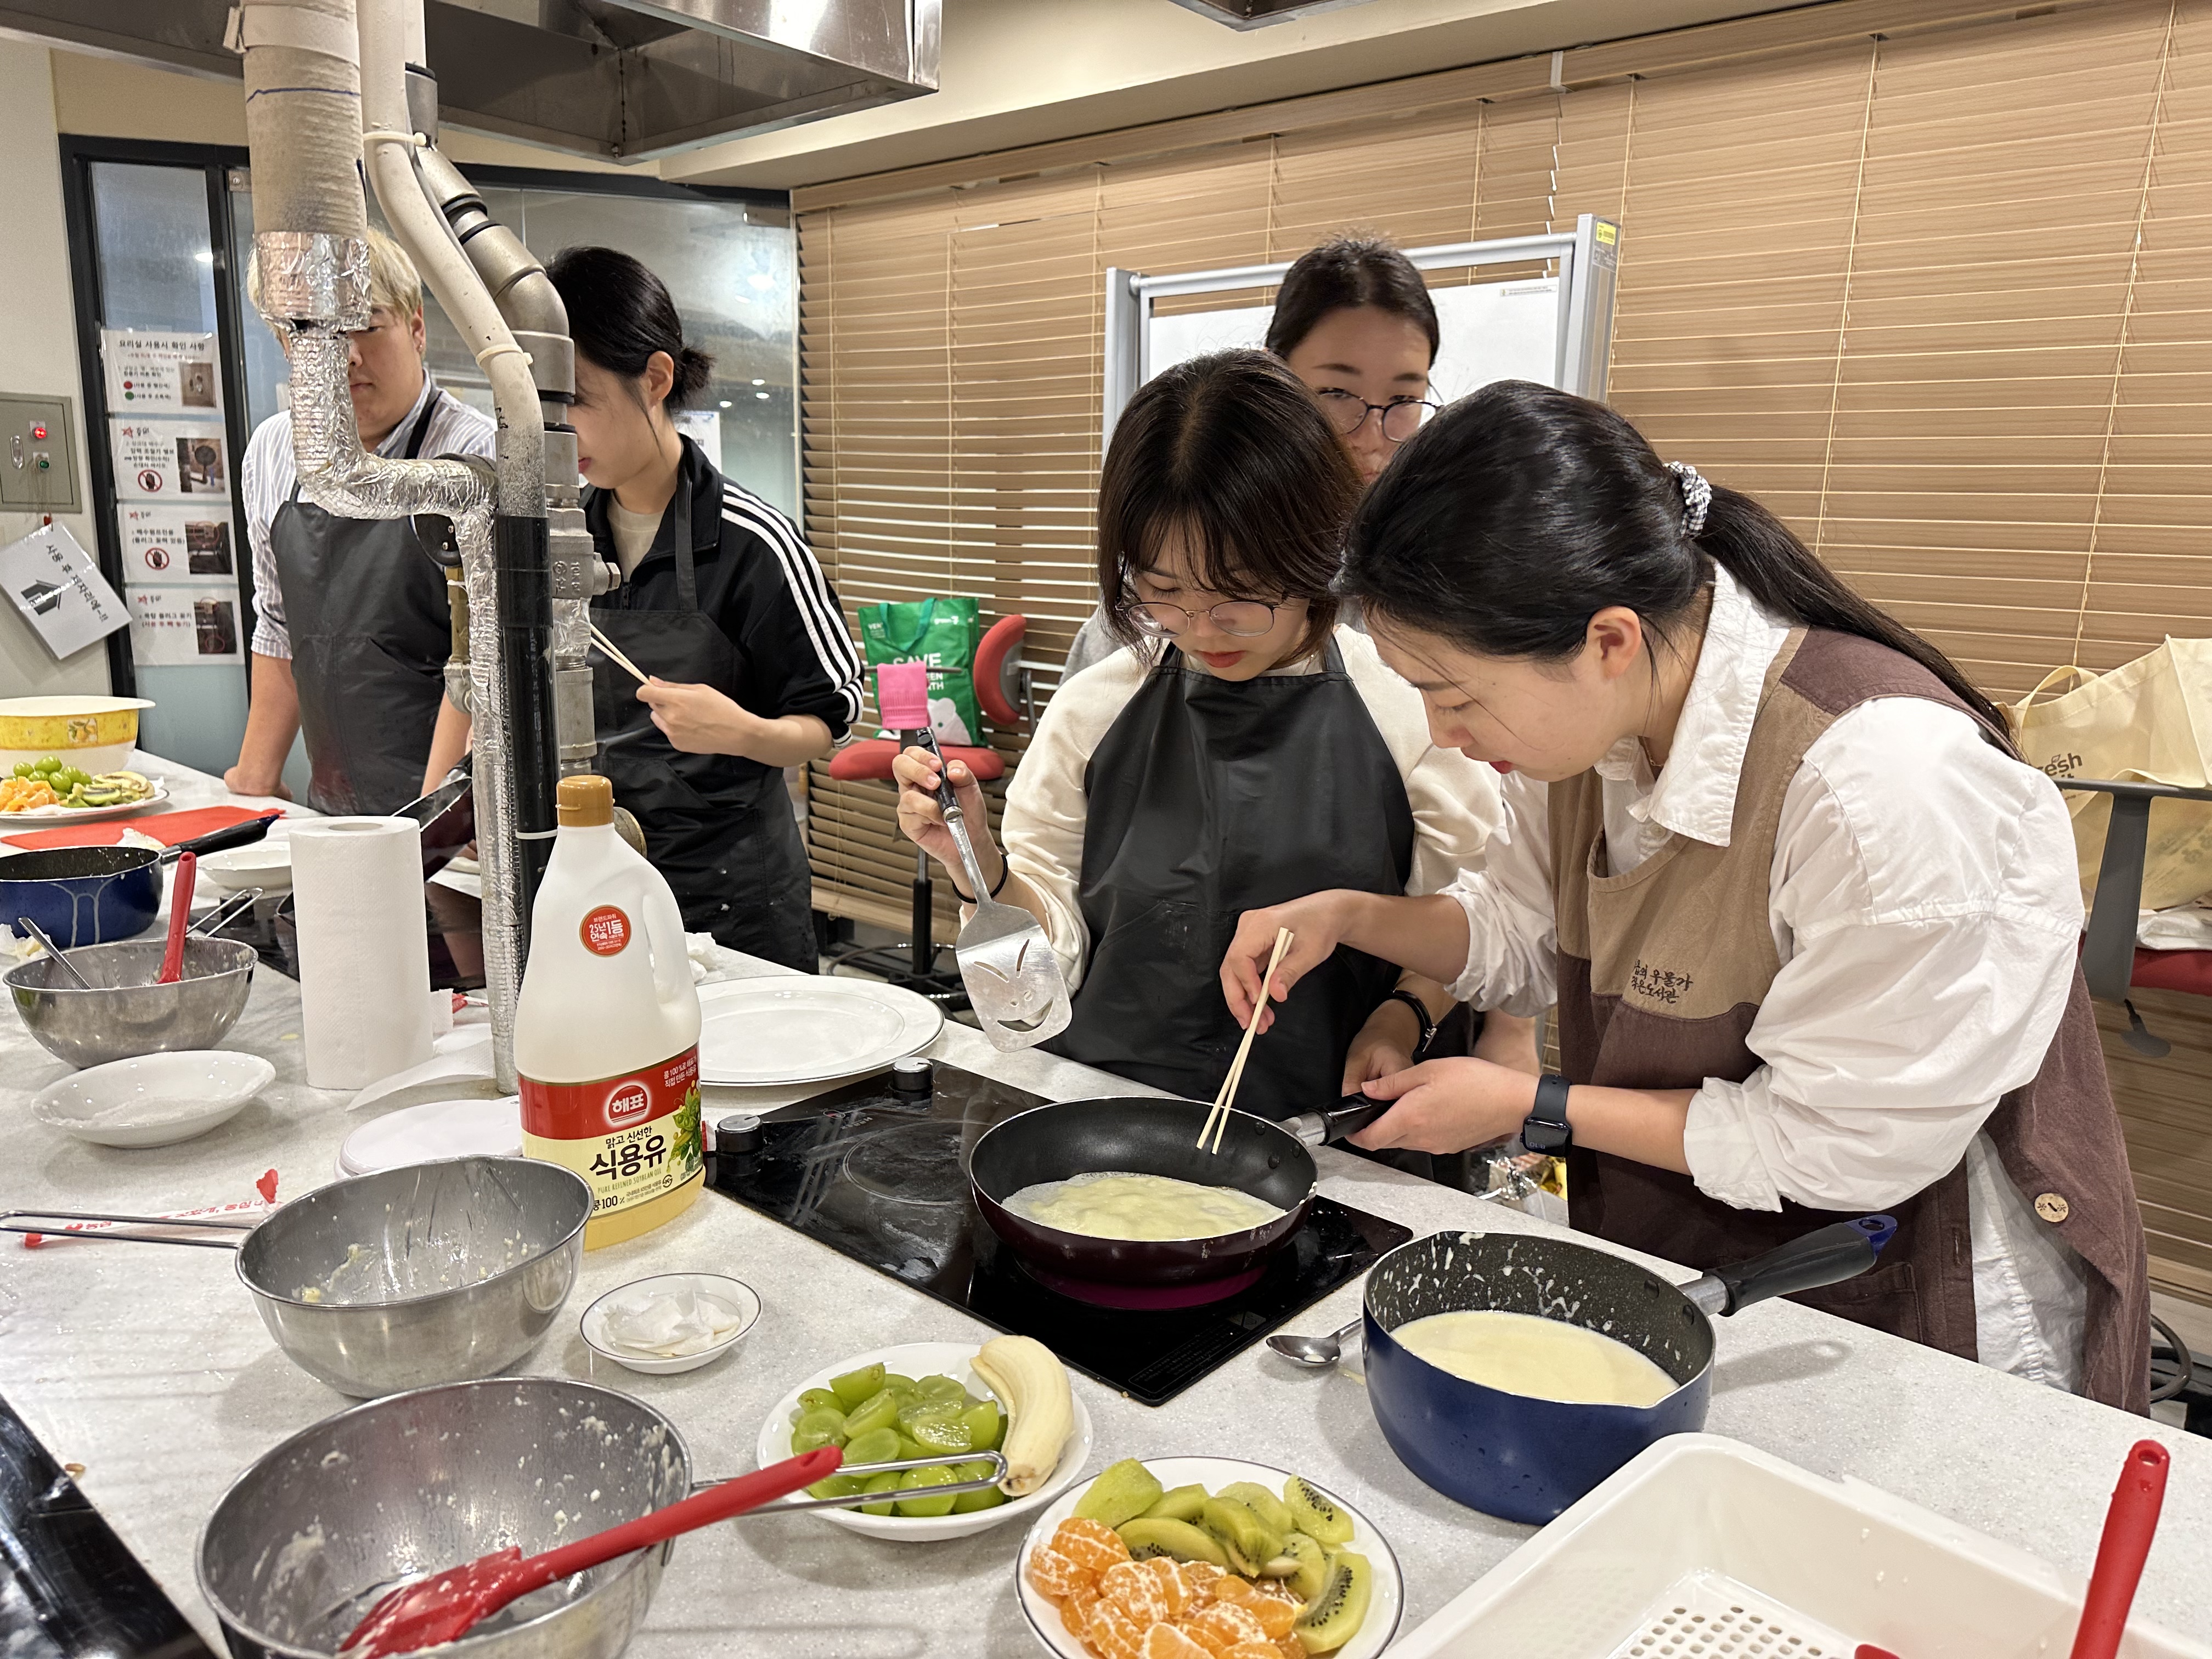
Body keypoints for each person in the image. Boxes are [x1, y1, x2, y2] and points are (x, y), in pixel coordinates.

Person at [1220, 381, 2153, 1409]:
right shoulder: (1590, 730)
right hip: (1709, 1260)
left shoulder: (1881, 783)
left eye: (1455, 695)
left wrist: (1531, 1104)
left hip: (1913, 1303)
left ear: (1608, 640)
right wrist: (1349, 916)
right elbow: (1520, 936)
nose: (1444, 733)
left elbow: (1833, 1143)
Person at [896, 350, 1506, 1114]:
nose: (1201, 629)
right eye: (1163, 592)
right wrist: (978, 868)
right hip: (1108, 1111)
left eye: (1239, 595)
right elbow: (1036, 988)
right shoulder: (1094, 709)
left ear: (1316, 552)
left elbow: (1471, 925)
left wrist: (1403, 1015)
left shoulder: (1407, 710)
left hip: (1327, 1122)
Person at [548, 247, 862, 972]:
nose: (559, 429)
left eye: (578, 400)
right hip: (599, 892)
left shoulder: (754, 545)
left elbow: (827, 723)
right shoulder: (560, 542)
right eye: (543, 406)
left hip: (732, 903)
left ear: (655, 379)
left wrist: (742, 731)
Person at [228, 228, 493, 812]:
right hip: (335, 813)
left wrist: (434, 826)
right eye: (312, 335)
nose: (345, 356)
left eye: (366, 326)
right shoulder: (273, 451)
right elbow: (278, 624)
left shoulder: (478, 456)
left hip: (459, 819)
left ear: (417, 328)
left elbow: (487, 659)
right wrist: (255, 780)